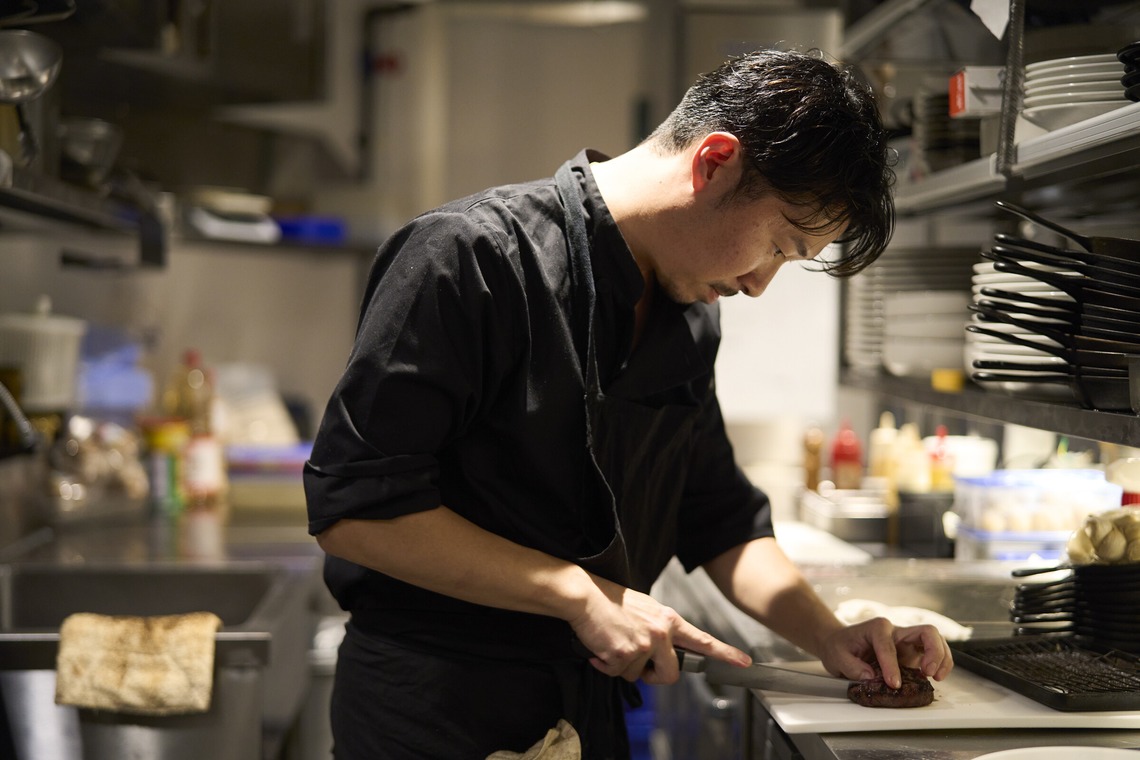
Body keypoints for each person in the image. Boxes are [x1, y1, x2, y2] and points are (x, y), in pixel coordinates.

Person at [304, 48, 953, 760]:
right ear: (714, 162)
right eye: (777, 245)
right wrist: (579, 595)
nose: (759, 284)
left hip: (587, 710)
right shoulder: (470, 256)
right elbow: (356, 509)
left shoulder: (689, 315)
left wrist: (828, 633)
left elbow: (717, 513)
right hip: (435, 711)